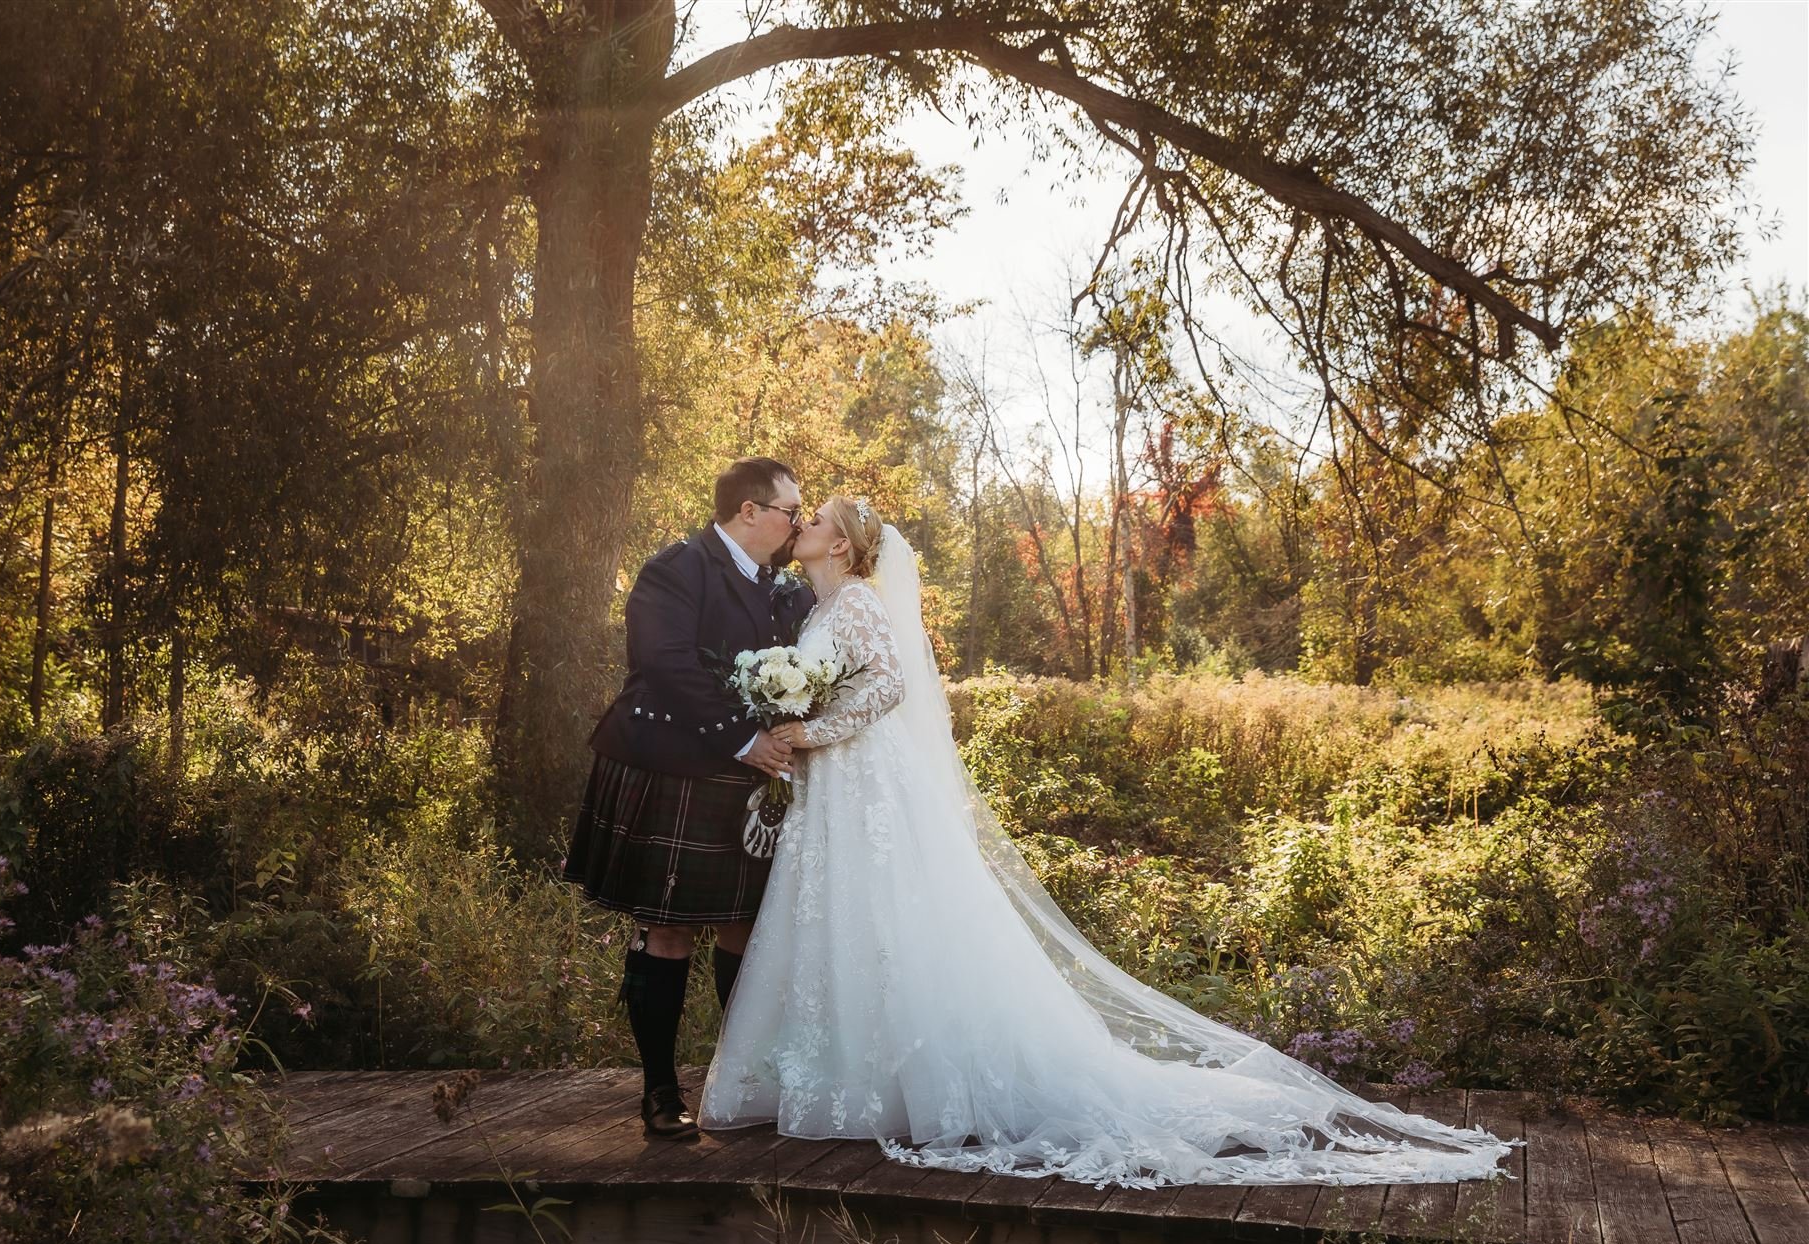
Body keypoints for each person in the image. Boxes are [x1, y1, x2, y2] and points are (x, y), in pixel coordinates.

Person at [698, 496, 1517, 1187]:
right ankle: (858, 1082)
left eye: (817, 520)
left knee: (895, 918)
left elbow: (891, 684)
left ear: (840, 543)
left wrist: (816, 729)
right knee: (847, 925)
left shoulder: (862, 603)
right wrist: (793, 727)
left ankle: (922, 1084)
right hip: (834, 788)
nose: (801, 525)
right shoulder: (817, 608)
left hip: (862, 777)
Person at [563, 457, 816, 1139]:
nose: (799, 522)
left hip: (752, 782)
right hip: (672, 769)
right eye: (792, 510)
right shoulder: (677, 568)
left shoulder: (790, 592)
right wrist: (743, 738)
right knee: (667, 930)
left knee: (745, 928)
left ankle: (741, 1082)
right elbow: (665, 663)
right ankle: (658, 1089)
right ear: (749, 512)